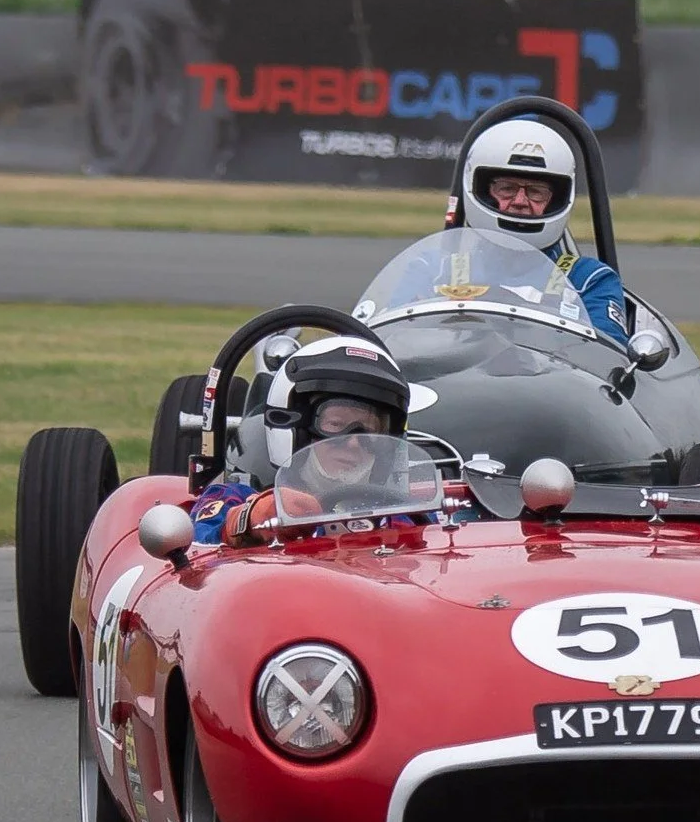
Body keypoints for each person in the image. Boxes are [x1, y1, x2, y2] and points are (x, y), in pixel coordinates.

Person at [190, 336, 413, 547]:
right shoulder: (237, 497)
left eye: (369, 431)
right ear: (295, 429)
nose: (353, 442)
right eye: (336, 424)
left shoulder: (405, 513)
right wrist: (250, 520)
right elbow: (198, 537)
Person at [449, 118, 629, 344]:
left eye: (536, 192)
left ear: (555, 200)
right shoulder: (435, 270)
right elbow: (398, 343)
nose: (520, 201)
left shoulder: (587, 280)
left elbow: (608, 361)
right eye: (507, 189)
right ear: (483, 192)